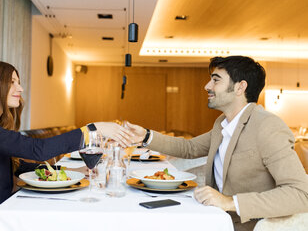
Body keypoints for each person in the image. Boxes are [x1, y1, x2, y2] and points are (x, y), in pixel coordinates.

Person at [0, 60, 133, 231]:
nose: (20, 89)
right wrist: (93, 129)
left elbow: (18, 166)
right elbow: (37, 150)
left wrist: (72, 171)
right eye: (12, 82)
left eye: (19, 82)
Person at [127, 56, 308, 231]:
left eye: (216, 80)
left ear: (240, 87)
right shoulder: (223, 123)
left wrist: (229, 202)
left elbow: (300, 194)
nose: (207, 86)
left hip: (244, 226)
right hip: (214, 219)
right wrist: (145, 136)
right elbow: (189, 148)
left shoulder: (267, 126)